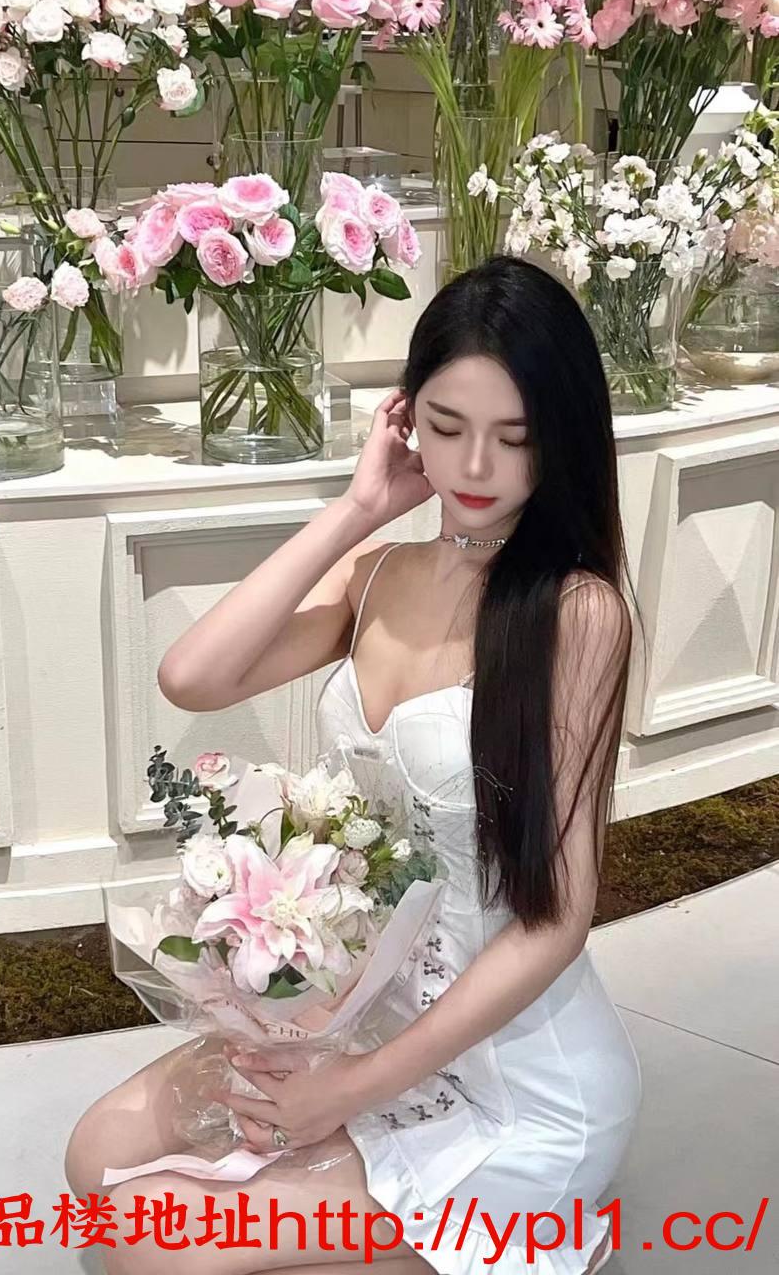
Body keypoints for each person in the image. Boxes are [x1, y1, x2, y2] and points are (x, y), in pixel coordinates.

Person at [65, 254, 642, 1275]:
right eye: (446, 425)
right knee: (95, 1153)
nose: (476, 463)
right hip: (365, 1017)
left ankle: (528, 1226)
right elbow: (193, 675)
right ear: (405, 417)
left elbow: (555, 920)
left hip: (513, 1077)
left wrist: (353, 1088)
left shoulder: (576, 612)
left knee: (151, 1244)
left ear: (561, 438)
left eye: (515, 437)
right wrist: (357, 507)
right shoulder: (377, 574)